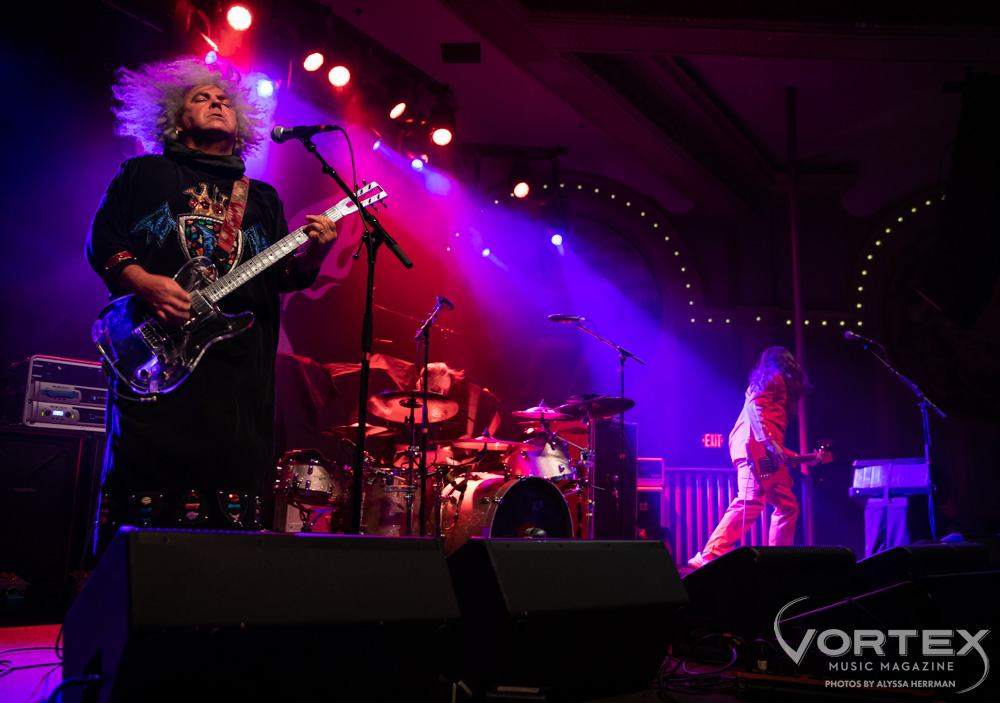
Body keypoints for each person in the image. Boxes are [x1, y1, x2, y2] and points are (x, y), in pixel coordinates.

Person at [86, 57, 339, 541]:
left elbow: (282, 274)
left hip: (239, 374)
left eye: (223, 98)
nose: (217, 102)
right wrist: (144, 281)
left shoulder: (261, 197)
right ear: (175, 119)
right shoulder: (143, 174)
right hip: (157, 361)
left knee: (232, 488)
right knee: (147, 495)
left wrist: (315, 258)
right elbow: (104, 240)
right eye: (201, 97)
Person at [688, 346, 810, 569]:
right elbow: (754, 407)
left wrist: (801, 456)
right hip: (754, 446)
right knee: (750, 499)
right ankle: (710, 554)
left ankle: (777, 560)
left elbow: (769, 426)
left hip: (762, 448)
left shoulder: (773, 379)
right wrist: (769, 441)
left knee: (787, 504)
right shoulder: (774, 375)